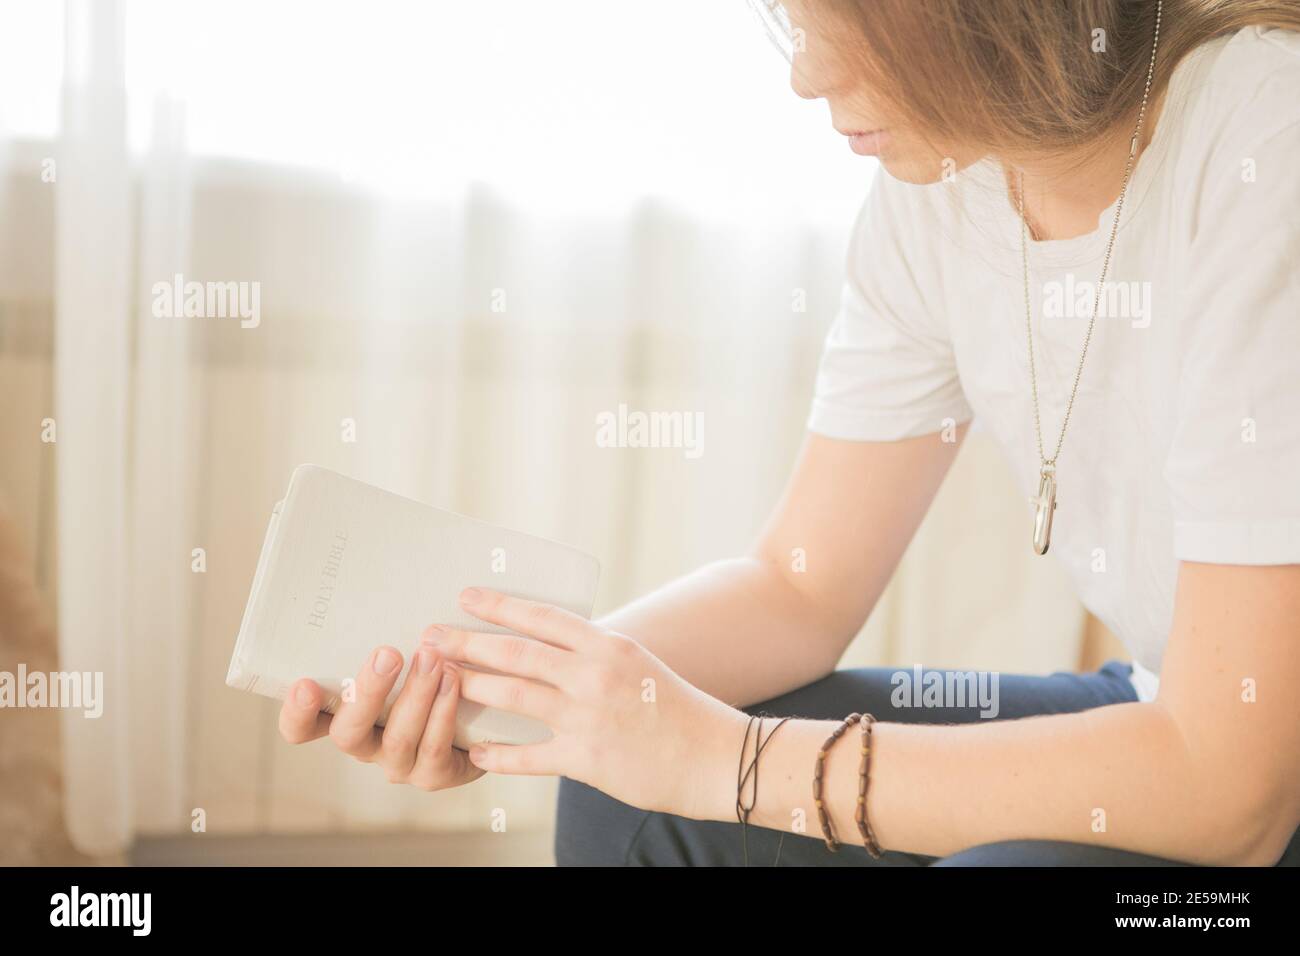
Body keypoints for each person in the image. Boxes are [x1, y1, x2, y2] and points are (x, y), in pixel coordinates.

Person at [278, 0, 1300, 866]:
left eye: (843, 15)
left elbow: (1231, 788)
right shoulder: (945, 190)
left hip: (1250, 773)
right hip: (1159, 709)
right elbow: (799, 587)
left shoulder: (1266, 130)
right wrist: (533, 689)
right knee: (621, 795)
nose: (806, 73)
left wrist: (718, 755)